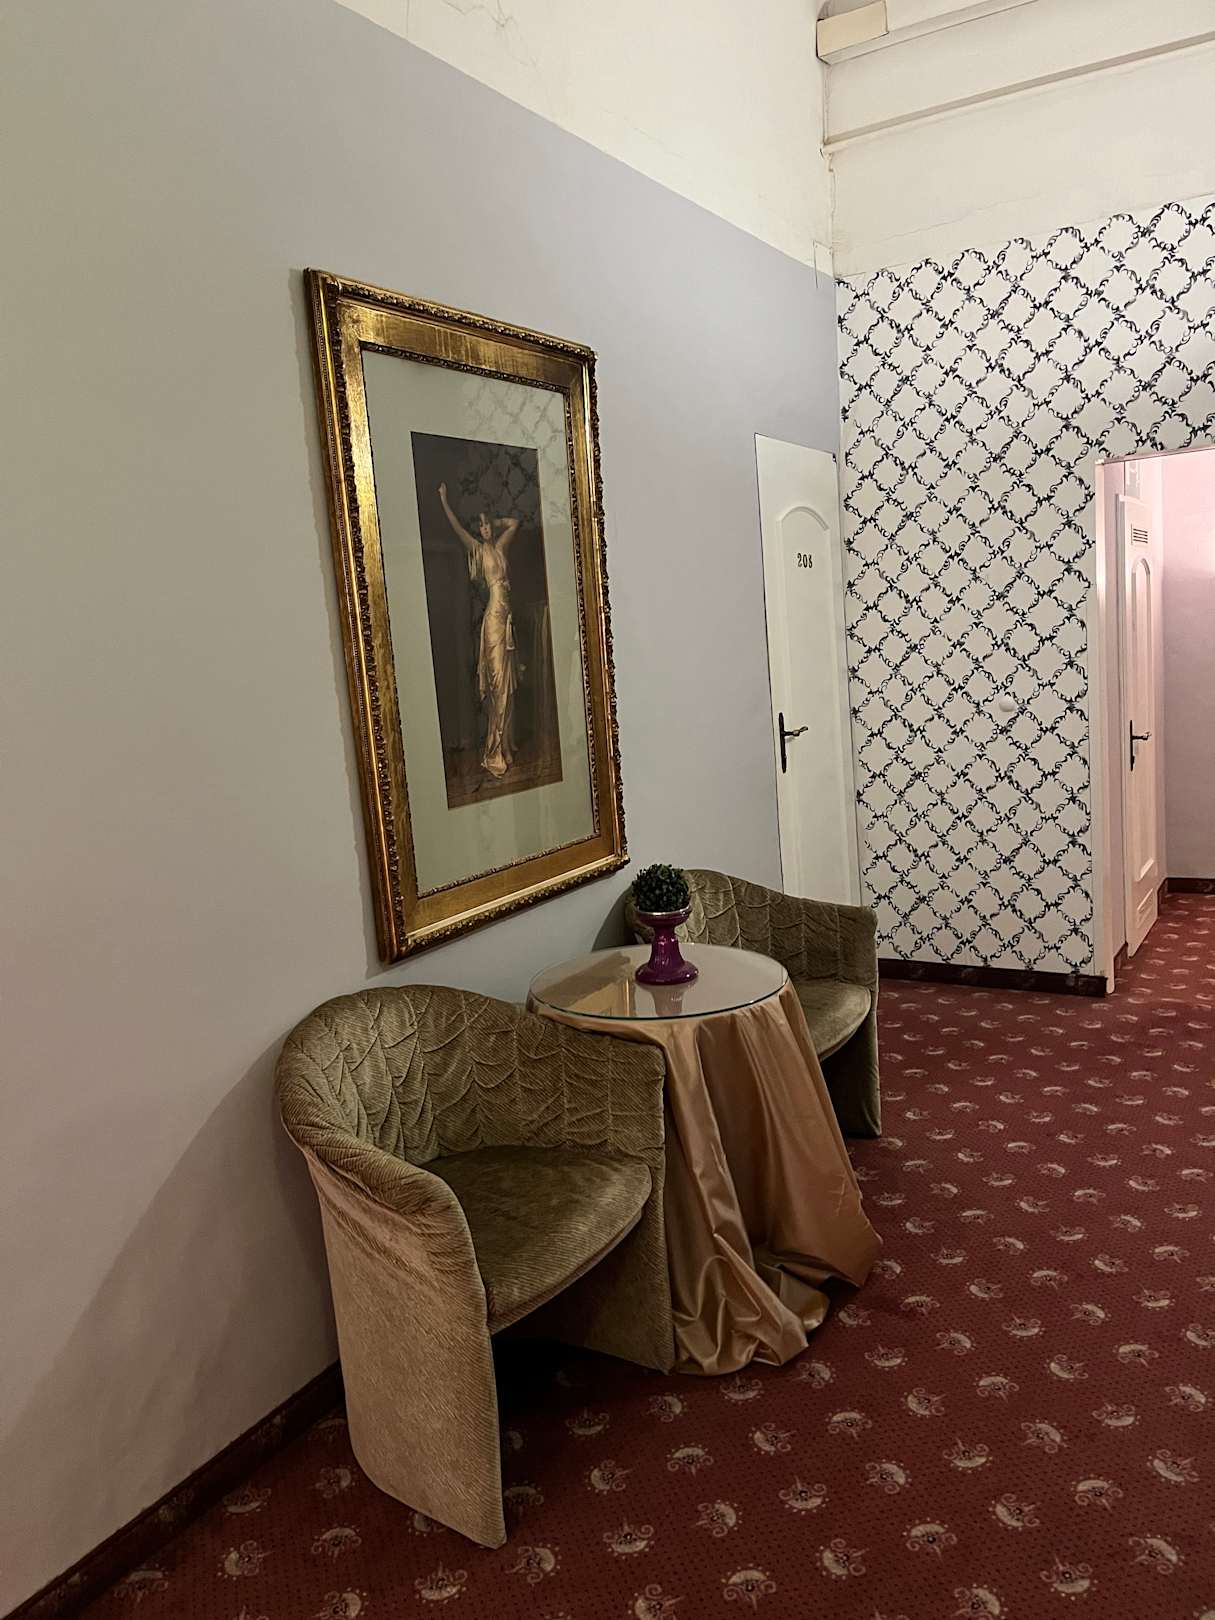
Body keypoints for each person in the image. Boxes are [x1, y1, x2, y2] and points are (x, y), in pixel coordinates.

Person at [438, 482, 521, 779]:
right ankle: (495, 749)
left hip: (507, 619)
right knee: (498, 685)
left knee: (508, 685)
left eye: (487, 525)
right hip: (494, 621)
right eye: (482, 525)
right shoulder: (479, 549)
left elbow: (515, 523)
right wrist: (445, 500)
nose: (485, 529)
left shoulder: (500, 547)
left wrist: (495, 520)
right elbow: (457, 528)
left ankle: (506, 745)